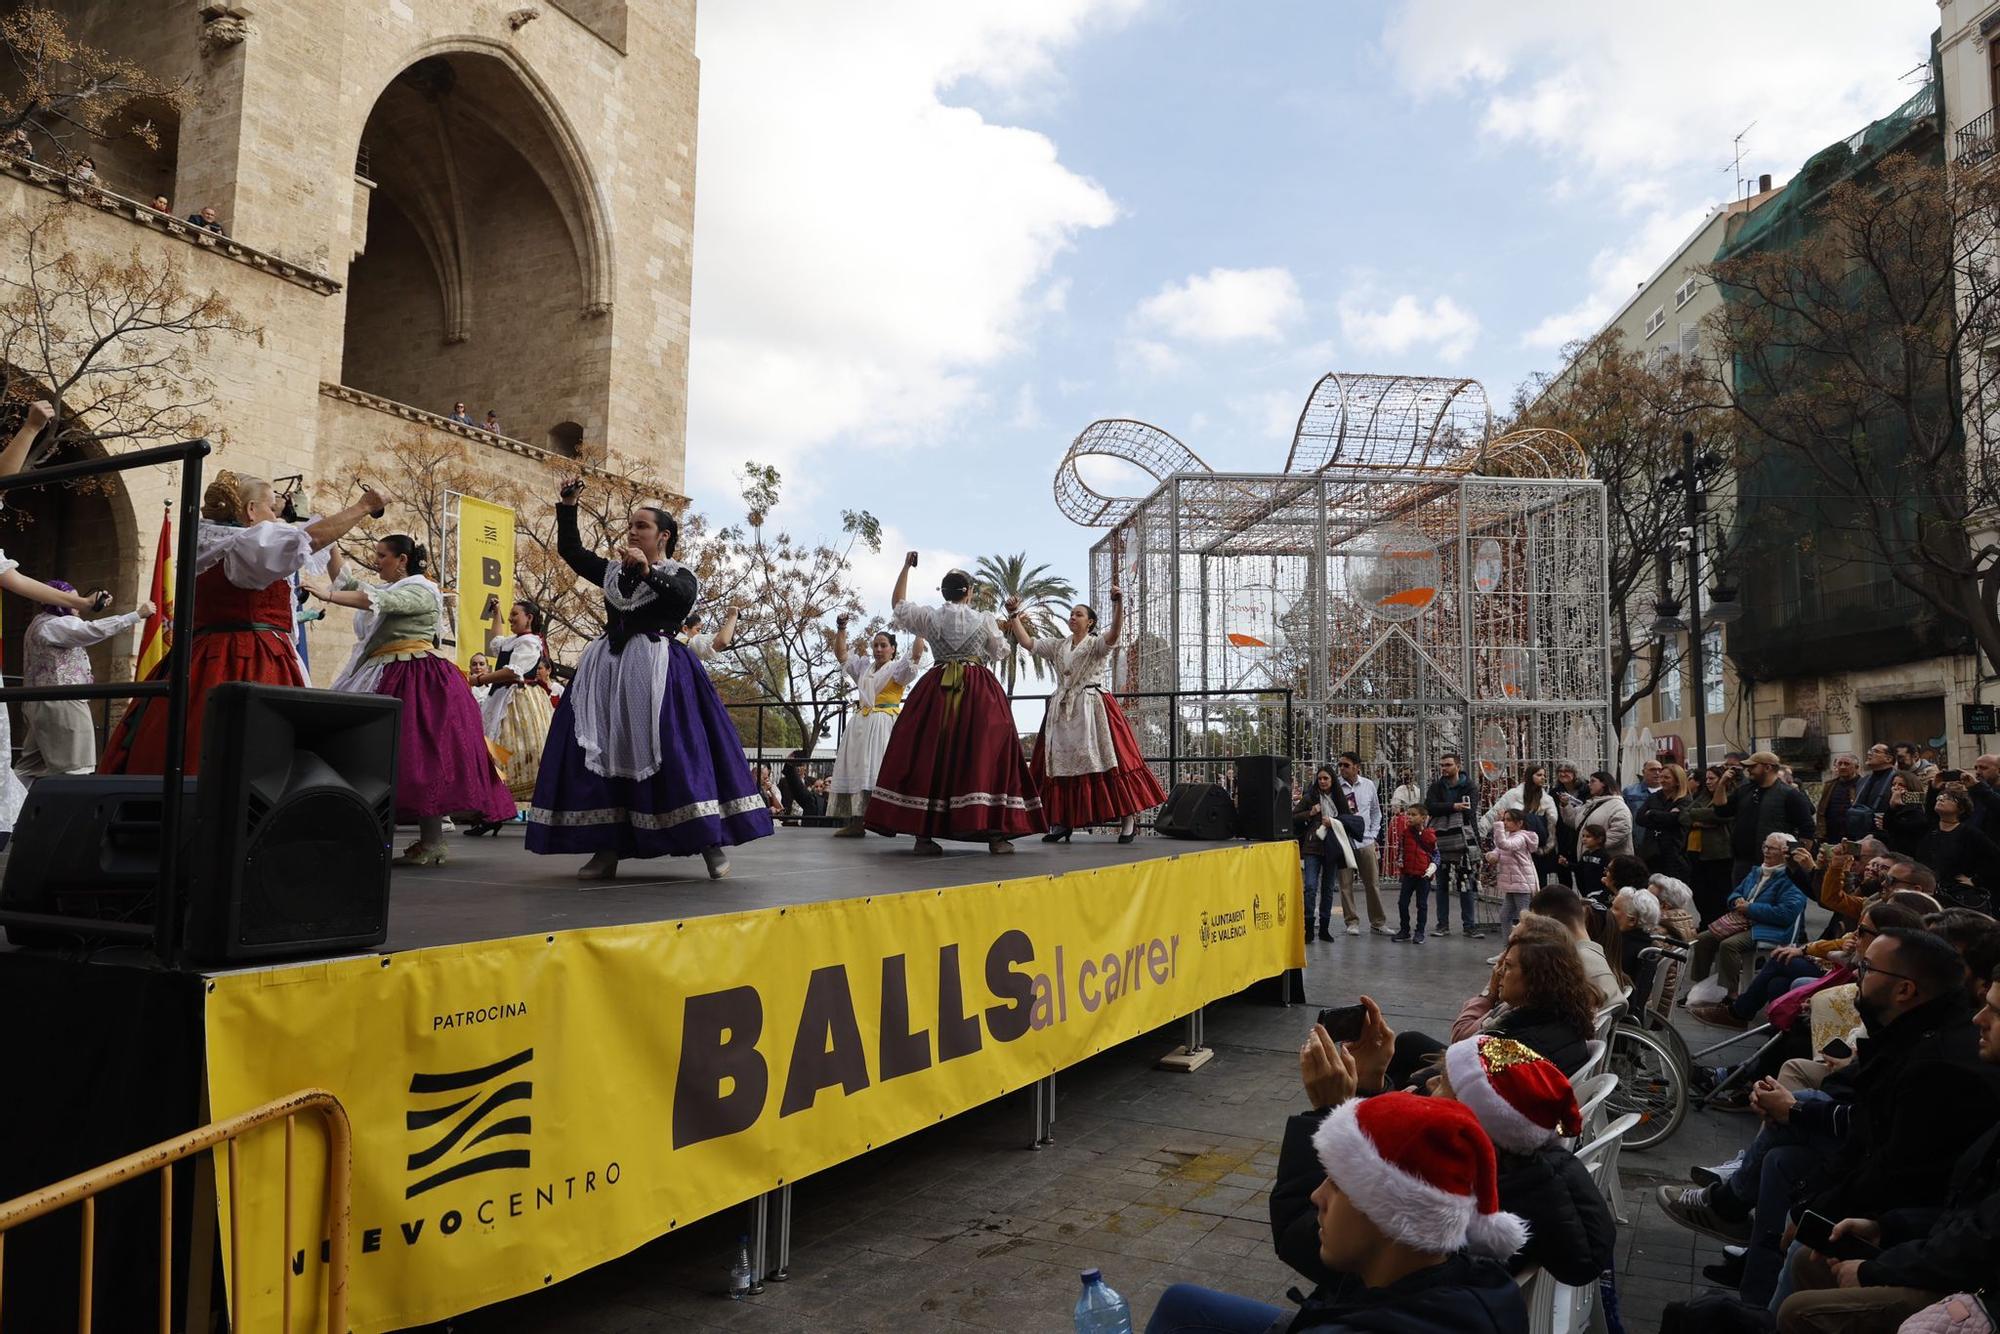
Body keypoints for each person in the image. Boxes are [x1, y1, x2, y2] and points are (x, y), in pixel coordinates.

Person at [525, 478, 772, 880]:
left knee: (677, 752)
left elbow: (679, 599)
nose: (633, 531)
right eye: (631, 525)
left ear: (664, 535)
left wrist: (646, 572)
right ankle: (607, 849)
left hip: (660, 673)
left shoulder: (680, 574)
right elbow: (571, 551)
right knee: (601, 755)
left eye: (642, 525)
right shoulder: (610, 572)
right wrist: (568, 506)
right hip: (607, 672)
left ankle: (709, 843)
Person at [1151, 1080, 1528, 1334]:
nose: (1317, 1196)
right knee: (1181, 1301)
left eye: (1338, 1184)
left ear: (1389, 1215)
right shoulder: (1479, 1282)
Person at [1273, 1009, 1609, 1288]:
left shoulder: (1441, 1202)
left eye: (1445, 1081)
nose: (1428, 1081)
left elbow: (1301, 1237)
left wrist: (1326, 1113)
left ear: (1473, 1123)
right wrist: (1369, 1086)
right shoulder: (1524, 1172)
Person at [101, 472, 389, 775]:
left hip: (202, 654)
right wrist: (363, 506)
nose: (275, 515)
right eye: (271, 507)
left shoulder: (210, 540)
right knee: (250, 743)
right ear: (251, 511)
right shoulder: (244, 546)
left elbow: (296, 536)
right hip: (247, 656)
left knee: (185, 730)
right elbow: (309, 539)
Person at [1769, 961, 2000, 1333]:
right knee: (1807, 1255)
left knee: (1800, 1310)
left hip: (1977, 1292)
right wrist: (1885, 1228)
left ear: (1907, 988)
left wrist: (1876, 1266)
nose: (1980, 1019)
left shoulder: (1941, 1062)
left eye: (1996, 1011)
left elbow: (1980, 1242)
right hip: (1937, 1242)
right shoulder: (1921, 1041)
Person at [312, 536, 515, 866]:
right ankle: (381, 835)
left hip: (416, 678)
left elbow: (375, 599)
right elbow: (351, 583)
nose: (377, 561)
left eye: (382, 556)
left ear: (402, 559)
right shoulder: (396, 589)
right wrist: (331, 543)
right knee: (391, 755)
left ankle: (430, 841)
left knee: (419, 757)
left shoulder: (421, 589)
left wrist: (329, 596)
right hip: (388, 673)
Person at [863, 555, 1042, 852]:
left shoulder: (930, 617)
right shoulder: (983, 619)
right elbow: (999, 652)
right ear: (969, 592)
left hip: (937, 687)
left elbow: (898, 602)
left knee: (929, 752)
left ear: (943, 593)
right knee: (986, 751)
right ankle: (995, 834)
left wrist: (906, 566)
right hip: (978, 691)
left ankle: (923, 835)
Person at [1009, 584, 1166, 844]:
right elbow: (1028, 643)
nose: (1073, 617)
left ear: (1090, 622)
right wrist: (1014, 615)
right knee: (1061, 764)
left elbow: (1115, 634)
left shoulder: (1096, 645)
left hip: (1093, 708)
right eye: (1071, 613)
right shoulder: (1059, 645)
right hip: (1063, 711)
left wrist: (1118, 605)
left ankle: (1128, 818)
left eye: (1079, 614)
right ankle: (1062, 821)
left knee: (1107, 759)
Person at [1381, 928, 1598, 1086]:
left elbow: (1464, 1044)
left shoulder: (1519, 1040)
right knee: (1410, 1042)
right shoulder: (1560, 1014)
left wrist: (1416, 1088)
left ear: (1537, 979)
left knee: (1399, 1079)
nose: (1499, 971)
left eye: (1509, 966)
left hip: (1479, 1124)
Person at [13, 583, 152, 780]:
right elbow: (91, 631)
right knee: (76, 769)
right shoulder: (53, 625)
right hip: (62, 702)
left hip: (43, 702)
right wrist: (136, 615)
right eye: (71, 600)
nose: (76, 606)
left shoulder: (40, 623)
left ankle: (9, 807)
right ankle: (66, 810)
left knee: (29, 769)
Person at [826, 615, 925, 837]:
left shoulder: (897, 670)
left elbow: (916, 656)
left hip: (884, 724)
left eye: (883, 645)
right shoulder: (864, 668)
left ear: (892, 649)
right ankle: (857, 822)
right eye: (876, 646)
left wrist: (920, 629)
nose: (878, 649)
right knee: (858, 769)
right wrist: (841, 628)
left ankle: (889, 820)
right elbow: (842, 655)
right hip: (860, 724)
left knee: (881, 770)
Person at [1686, 832, 1809, 1004]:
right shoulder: (1757, 871)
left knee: (1729, 945)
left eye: (1771, 848)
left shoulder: (1792, 879)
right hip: (1743, 922)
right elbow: (1736, 892)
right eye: (1765, 846)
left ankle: (1731, 995)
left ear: (1784, 853)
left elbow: (1785, 915)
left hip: (1771, 928)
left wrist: (1750, 908)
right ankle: (1698, 987)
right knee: (1703, 939)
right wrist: (1736, 900)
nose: (1766, 851)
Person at [466, 600, 554, 827]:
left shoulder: (530, 642)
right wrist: (497, 614)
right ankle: (494, 806)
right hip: (503, 698)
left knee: (517, 750)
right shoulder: (516, 640)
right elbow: (495, 644)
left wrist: (479, 679)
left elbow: (513, 672)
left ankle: (501, 807)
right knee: (495, 749)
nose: (512, 618)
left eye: (515, 614)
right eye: (511, 615)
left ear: (530, 618)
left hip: (520, 701)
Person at [1717, 750, 1816, 883]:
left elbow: (1807, 828)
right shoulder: (1745, 790)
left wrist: (1797, 859)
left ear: (1767, 767)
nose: (1748, 770)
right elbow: (1721, 810)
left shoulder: (1789, 794)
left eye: (1753, 767)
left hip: (1775, 863)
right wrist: (1722, 783)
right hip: (1743, 862)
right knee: (1740, 901)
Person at [1529, 883, 1623, 1007]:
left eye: (1534, 927)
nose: (1532, 935)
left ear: (1549, 922)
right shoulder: (1598, 958)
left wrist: (1494, 994)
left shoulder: (1565, 967)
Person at [1294, 765, 1358, 944]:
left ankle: (1324, 928)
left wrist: (1334, 822)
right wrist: (1311, 812)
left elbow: (1349, 819)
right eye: (1320, 778)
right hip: (1312, 846)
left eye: (1326, 779)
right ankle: (1308, 927)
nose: (1322, 782)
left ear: (1332, 780)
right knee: (1311, 886)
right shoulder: (1309, 798)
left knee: (1328, 888)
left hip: (1332, 847)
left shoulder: (1339, 799)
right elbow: (1293, 817)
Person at [1425, 753, 1484, 939]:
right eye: (1442, 765)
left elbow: (1470, 810)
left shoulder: (1469, 786)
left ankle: (1469, 925)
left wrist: (1447, 807)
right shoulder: (1436, 786)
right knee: (1442, 883)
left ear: (1457, 766)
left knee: (1466, 884)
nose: (1444, 768)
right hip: (1442, 840)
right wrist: (1453, 807)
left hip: (1464, 840)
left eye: (1448, 765)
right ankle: (1443, 924)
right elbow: (1430, 806)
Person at [1913, 784, 1999, 906]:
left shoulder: (1970, 833)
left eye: (1949, 798)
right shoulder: (1928, 830)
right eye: (1940, 797)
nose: (1941, 799)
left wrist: (1976, 881)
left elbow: (1995, 859)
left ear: (1962, 808)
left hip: (1955, 897)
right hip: (1925, 891)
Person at [1333, 753, 1388, 934]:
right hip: (1343, 841)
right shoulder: (1336, 787)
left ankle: (1378, 922)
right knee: (1345, 884)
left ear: (1357, 767)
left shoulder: (1368, 785)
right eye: (1340, 765)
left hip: (1365, 841)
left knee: (1372, 883)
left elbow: (1375, 811)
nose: (1342, 769)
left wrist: (1372, 834)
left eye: (1346, 765)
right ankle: (1352, 922)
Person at [1481, 763, 1558, 885]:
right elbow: (1494, 813)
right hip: (1516, 846)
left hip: (1537, 847)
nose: (1543, 778)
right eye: (1539, 775)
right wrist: (1480, 830)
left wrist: (1548, 846)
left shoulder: (1547, 799)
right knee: (1518, 882)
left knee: (1539, 883)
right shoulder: (1513, 795)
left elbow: (1552, 824)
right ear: (1529, 776)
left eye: (1544, 775)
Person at [1684, 764, 1739, 926]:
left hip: (1719, 853)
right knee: (1700, 892)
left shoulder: (1730, 796)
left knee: (1719, 892)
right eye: (1706, 778)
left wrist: (1697, 815)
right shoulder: (1701, 797)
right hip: (1696, 851)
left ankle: (1718, 923)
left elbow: (1720, 815)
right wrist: (1698, 823)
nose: (1708, 782)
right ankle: (1706, 921)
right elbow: (1683, 816)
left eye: (1712, 778)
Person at [1485, 808, 1539, 937]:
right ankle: (1508, 949)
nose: (1505, 823)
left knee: (1524, 918)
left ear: (1519, 823)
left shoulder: (1520, 837)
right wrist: (1491, 855)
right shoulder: (1510, 836)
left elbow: (1505, 845)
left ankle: (1524, 949)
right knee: (1505, 916)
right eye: (1504, 820)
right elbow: (1499, 850)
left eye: (1508, 820)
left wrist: (1498, 824)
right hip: (1513, 885)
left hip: (1521, 884)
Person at [1636, 762, 1694, 883]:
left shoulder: (1685, 800)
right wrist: (1665, 816)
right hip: (1651, 853)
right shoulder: (1654, 797)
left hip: (1674, 854)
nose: (1662, 780)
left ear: (1677, 781)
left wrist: (1652, 813)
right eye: (1661, 777)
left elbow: (1675, 820)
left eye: (1666, 777)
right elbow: (1640, 818)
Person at [1390, 805, 1436, 944]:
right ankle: (1404, 929)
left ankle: (1420, 931)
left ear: (1423, 818)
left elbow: (1435, 853)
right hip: (1408, 874)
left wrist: (1431, 869)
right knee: (1402, 903)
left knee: (1421, 904)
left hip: (1423, 875)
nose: (1409, 817)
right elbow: (1401, 851)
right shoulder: (1405, 833)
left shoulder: (1430, 835)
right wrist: (1400, 865)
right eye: (1408, 814)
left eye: (1413, 814)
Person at [1567, 769, 1635, 858]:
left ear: (1604, 783)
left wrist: (1595, 845)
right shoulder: (1591, 804)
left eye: (1593, 781)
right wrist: (1565, 806)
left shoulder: (1618, 806)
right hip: (1590, 858)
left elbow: (1621, 830)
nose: (1589, 784)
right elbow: (1576, 822)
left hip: (1610, 861)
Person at [1876, 771, 1930, 856]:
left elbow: (1899, 828)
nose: (1896, 788)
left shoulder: (1917, 809)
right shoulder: (1893, 805)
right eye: (1894, 784)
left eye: (1901, 785)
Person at [1817, 753, 1860, 842]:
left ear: (1856, 767)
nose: (1842, 767)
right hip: (1831, 836)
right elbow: (1822, 810)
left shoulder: (1862, 784)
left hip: (1854, 837)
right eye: (1840, 764)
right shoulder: (1829, 786)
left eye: (1847, 764)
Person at [778, 749, 822, 823]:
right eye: (796, 766)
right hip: (789, 819)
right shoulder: (784, 781)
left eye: (800, 765)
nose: (798, 768)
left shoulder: (813, 781)